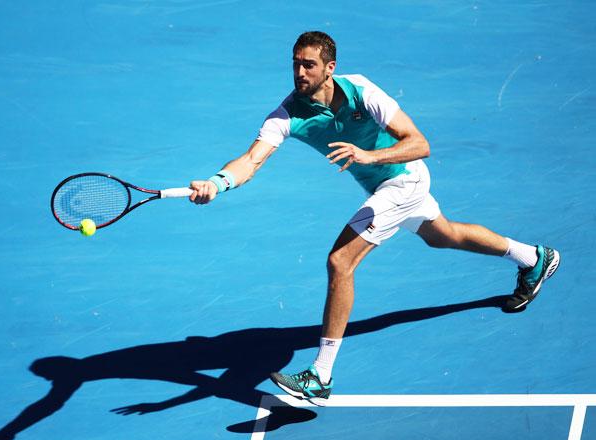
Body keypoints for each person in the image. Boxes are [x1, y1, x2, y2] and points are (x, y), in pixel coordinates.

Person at [187, 31, 560, 406]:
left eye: (309, 65)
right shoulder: (286, 115)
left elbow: (419, 143)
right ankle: (533, 257)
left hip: (404, 179)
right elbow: (251, 160)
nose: (299, 72)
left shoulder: (361, 91)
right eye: (295, 64)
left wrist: (369, 156)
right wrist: (217, 184)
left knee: (340, 261)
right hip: (382, 190)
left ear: (330, 68)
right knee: (443, 235)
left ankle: (321, 375)